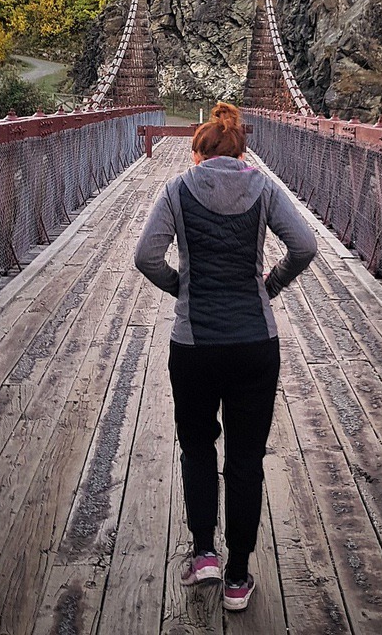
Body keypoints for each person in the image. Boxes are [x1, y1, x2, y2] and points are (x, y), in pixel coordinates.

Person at [134, 101, 317, 612]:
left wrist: (181, 288)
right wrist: (270, 286)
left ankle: (204, 556)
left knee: (197, 450)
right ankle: (238, 577)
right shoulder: (264, 187)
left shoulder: (176, 189)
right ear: (241, 153)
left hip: (194, 346)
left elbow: (145, 257)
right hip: (255, 344)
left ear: (198, 154)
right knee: (245, 460)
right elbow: (304, 246)